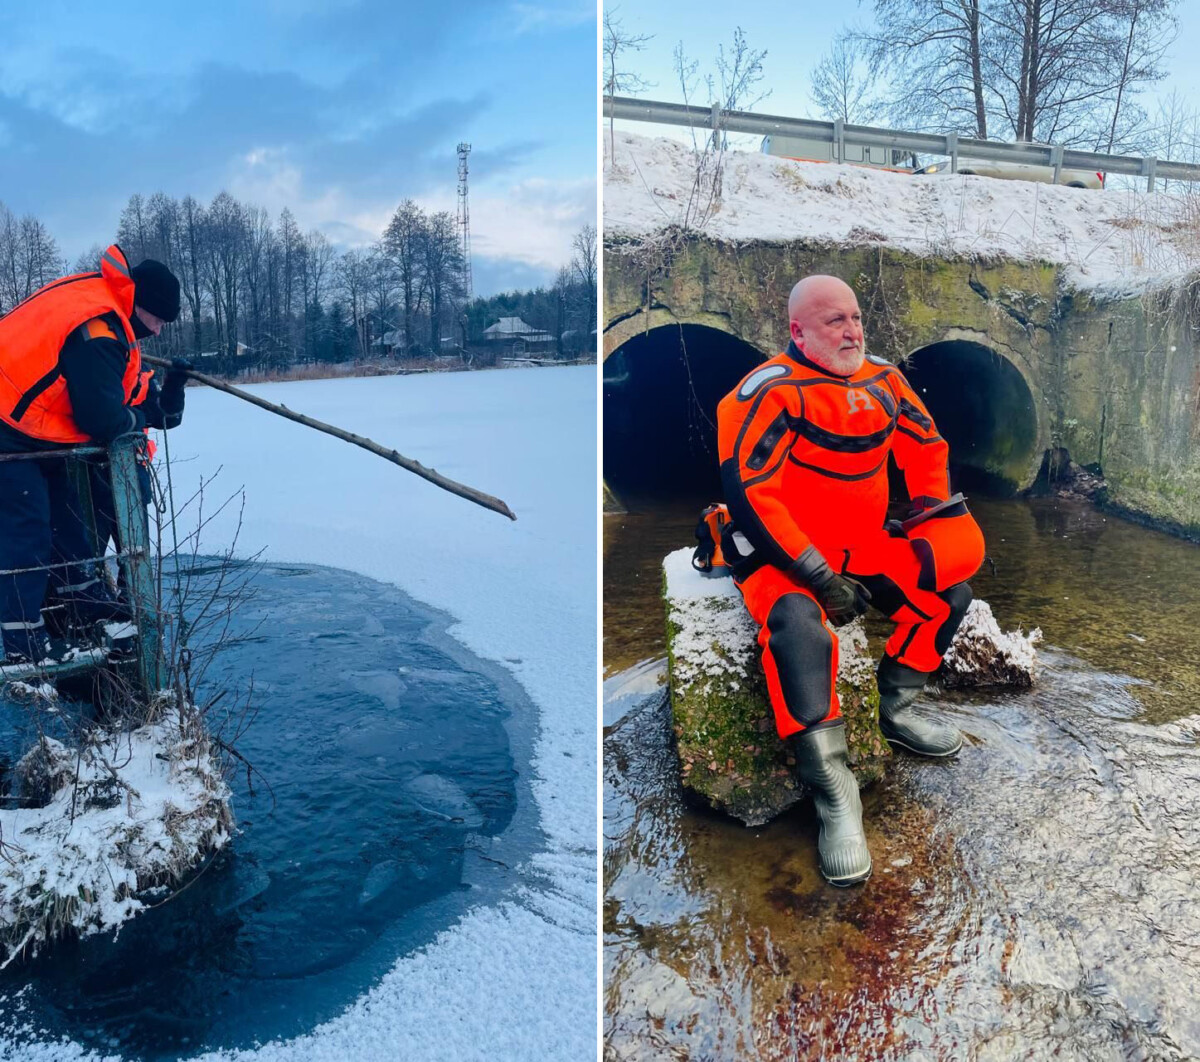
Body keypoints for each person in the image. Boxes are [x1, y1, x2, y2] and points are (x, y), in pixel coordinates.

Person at [716, 274, 985, 887]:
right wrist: (817, 575)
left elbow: (927, 449)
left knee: (947, 594)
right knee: (797, 627)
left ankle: (898, 703)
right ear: (798, 331)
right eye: (835, 321)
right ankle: (835, 791)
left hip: (860, 545)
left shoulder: (885, 381)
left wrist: (928, 516)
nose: (852, 330)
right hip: (780, 554)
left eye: (856, 318)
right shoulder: (765, 395)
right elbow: (752, 495)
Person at [0, 244, 186, 664]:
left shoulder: (105, 304)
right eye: (157, 319)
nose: (158, 331)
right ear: (140, 304)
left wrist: (160, 401)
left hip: (35, 422)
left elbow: (130, 397)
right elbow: (102, 418)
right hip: (8, 422)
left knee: (67, 518)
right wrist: (135, 421)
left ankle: (82, 608)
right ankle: (23, 645)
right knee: (26, 528)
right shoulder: (100, 331)